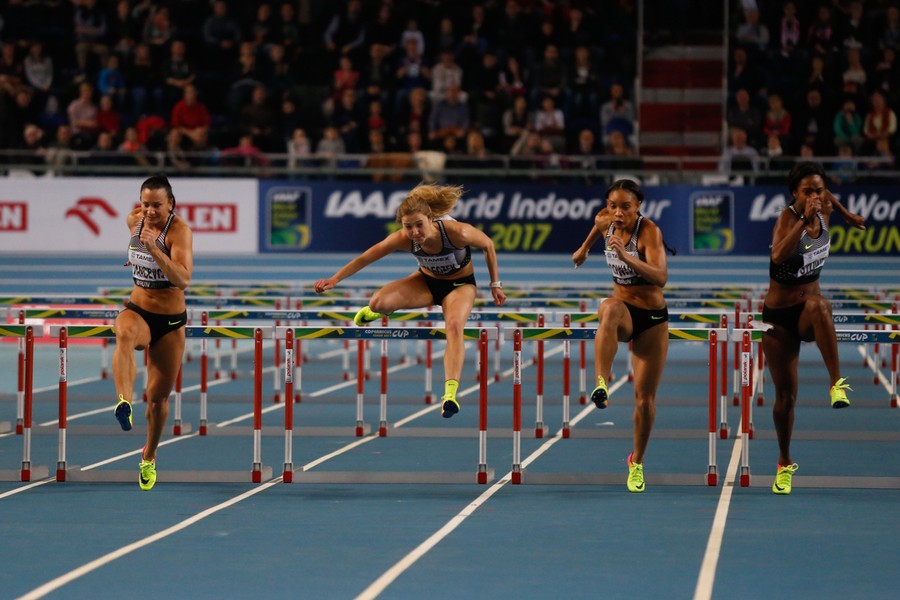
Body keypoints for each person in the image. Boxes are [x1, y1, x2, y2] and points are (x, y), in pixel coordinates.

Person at [313, 184, 506, 419]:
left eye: (419, 225)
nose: (414, 232)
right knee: (378, 302)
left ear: (431, 218)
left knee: (454, 326)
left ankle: (450, 394)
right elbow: (366, 257)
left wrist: (495, 285)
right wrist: (335, 279)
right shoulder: (403, 238)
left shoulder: (457, 232)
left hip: (459, 286)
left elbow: (488, 245)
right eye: (408, 226)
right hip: (425, 282)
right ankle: (376, 312)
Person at [762, 161, 866, 495]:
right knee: (785, 399)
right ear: (794, 194)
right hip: (779, 319)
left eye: (819, 190)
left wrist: (847, 214)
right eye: (807, 191)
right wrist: (803, 223)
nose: (816, 197)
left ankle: (836, 383)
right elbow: (778, 256)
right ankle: (783, 461)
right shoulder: (787, 219)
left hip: (808, 312)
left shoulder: (824, 206)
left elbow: (827, 196)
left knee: (821, 304)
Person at [571, 180, 671, 493]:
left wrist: (626, 256)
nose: (618, 212)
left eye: (625, 206)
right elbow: (596, 226)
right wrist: (584, 249)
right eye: (613, 205)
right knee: (609, 307)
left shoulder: (649, 231)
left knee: (645, 401)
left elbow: (661, 277)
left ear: (638, 206)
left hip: (652, 318)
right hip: (624, 312)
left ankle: (636, 462)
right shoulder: (605, 219)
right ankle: (602, 383)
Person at [113, 175, 193, 491]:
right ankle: (123, 401)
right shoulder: (135, 218)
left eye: (156, 205)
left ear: (170, 204)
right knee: (124, 333)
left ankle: (149, 456)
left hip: (170, 323)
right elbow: (136, 246)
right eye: (145, 204)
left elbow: (183, 279)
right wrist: (135, 257)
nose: (149, 211)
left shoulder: (180, 232)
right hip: (139, 310)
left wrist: (152, 250)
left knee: (158, 400)